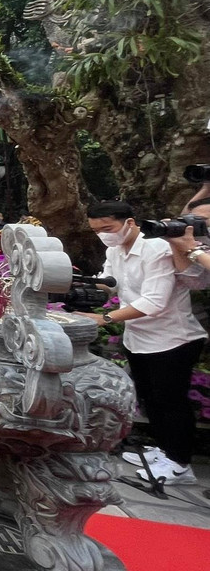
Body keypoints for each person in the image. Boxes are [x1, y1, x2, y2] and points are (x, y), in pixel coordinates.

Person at [79, 200, 207, 485]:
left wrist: (104, 319)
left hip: (173, 338)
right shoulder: (114, 249)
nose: (104, 234)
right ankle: (163, 450)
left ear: (130, 222)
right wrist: (77, 282)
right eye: (97, 230)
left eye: (108, 228)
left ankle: (179, 463)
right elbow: (109, 282)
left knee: (171, 401)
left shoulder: (156, 248)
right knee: (150, 398)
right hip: (139, 338)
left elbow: (155, 301)